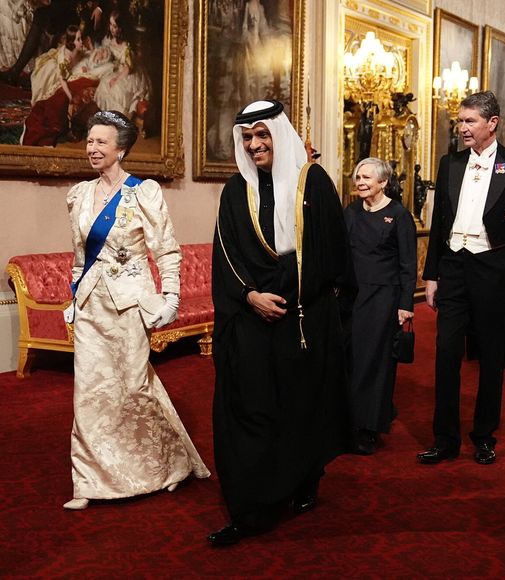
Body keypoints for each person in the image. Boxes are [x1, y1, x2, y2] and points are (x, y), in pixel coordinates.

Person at [209, 100, 353, 546]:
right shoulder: (235, 192)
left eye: (262, 135)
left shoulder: (315, 183)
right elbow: (225, 252)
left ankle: (304, 476)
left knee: (300, 406)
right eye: (247, 138)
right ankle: (251, 508)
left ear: (280, 134)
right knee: (250, 406)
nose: (254, 145)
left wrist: (295, 297)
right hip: (252, 313)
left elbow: (335, 257)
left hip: (302, 316)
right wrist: (250, 295)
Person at [62, 110, 210, 510]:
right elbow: (79, 259)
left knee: (134, 386)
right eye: (90, 141)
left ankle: (167, 464)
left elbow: (166, 251)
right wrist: (73, 298)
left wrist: (172, 299)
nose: (92, 148)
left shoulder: (143, 192)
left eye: (101, 142)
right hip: (92, 306)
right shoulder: (78, 196)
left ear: (121, 149)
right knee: (90, 392)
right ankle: (90, 481)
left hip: (130, 305)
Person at [417, 91, 505, 465]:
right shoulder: (450, 163)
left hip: (494, 268)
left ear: (492, 123)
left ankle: (484, 436)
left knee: (491, 356)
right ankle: (445, 439)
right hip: (454, 267)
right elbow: (440, 217)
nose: (462, 129)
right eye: (460, 121)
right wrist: (433, 275)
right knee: (445, 353)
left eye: (470, 121)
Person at [344, 157, 416, 455]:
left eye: (367, 178)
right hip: (351, 297)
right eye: (358, 177)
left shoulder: (399, 215)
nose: (360, 182)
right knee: (350, 359)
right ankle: (349, 420)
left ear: (383, 182)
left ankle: (369, 428)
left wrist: (405, 304)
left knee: (374, 363)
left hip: (384, 299)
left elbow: (408, 264)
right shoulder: (349, 212)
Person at [93, 9, 151, 119]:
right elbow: (109, 53)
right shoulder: (109, 39)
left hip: (129, 73)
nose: (111, 28)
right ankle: (113, 117)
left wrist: (116, 79)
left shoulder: (127, 45)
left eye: (114, 26)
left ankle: (121, 117)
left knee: (117, 89)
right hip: (118, 69)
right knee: (104, 85)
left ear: (121, 27)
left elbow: (128, 68)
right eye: (110, 24)